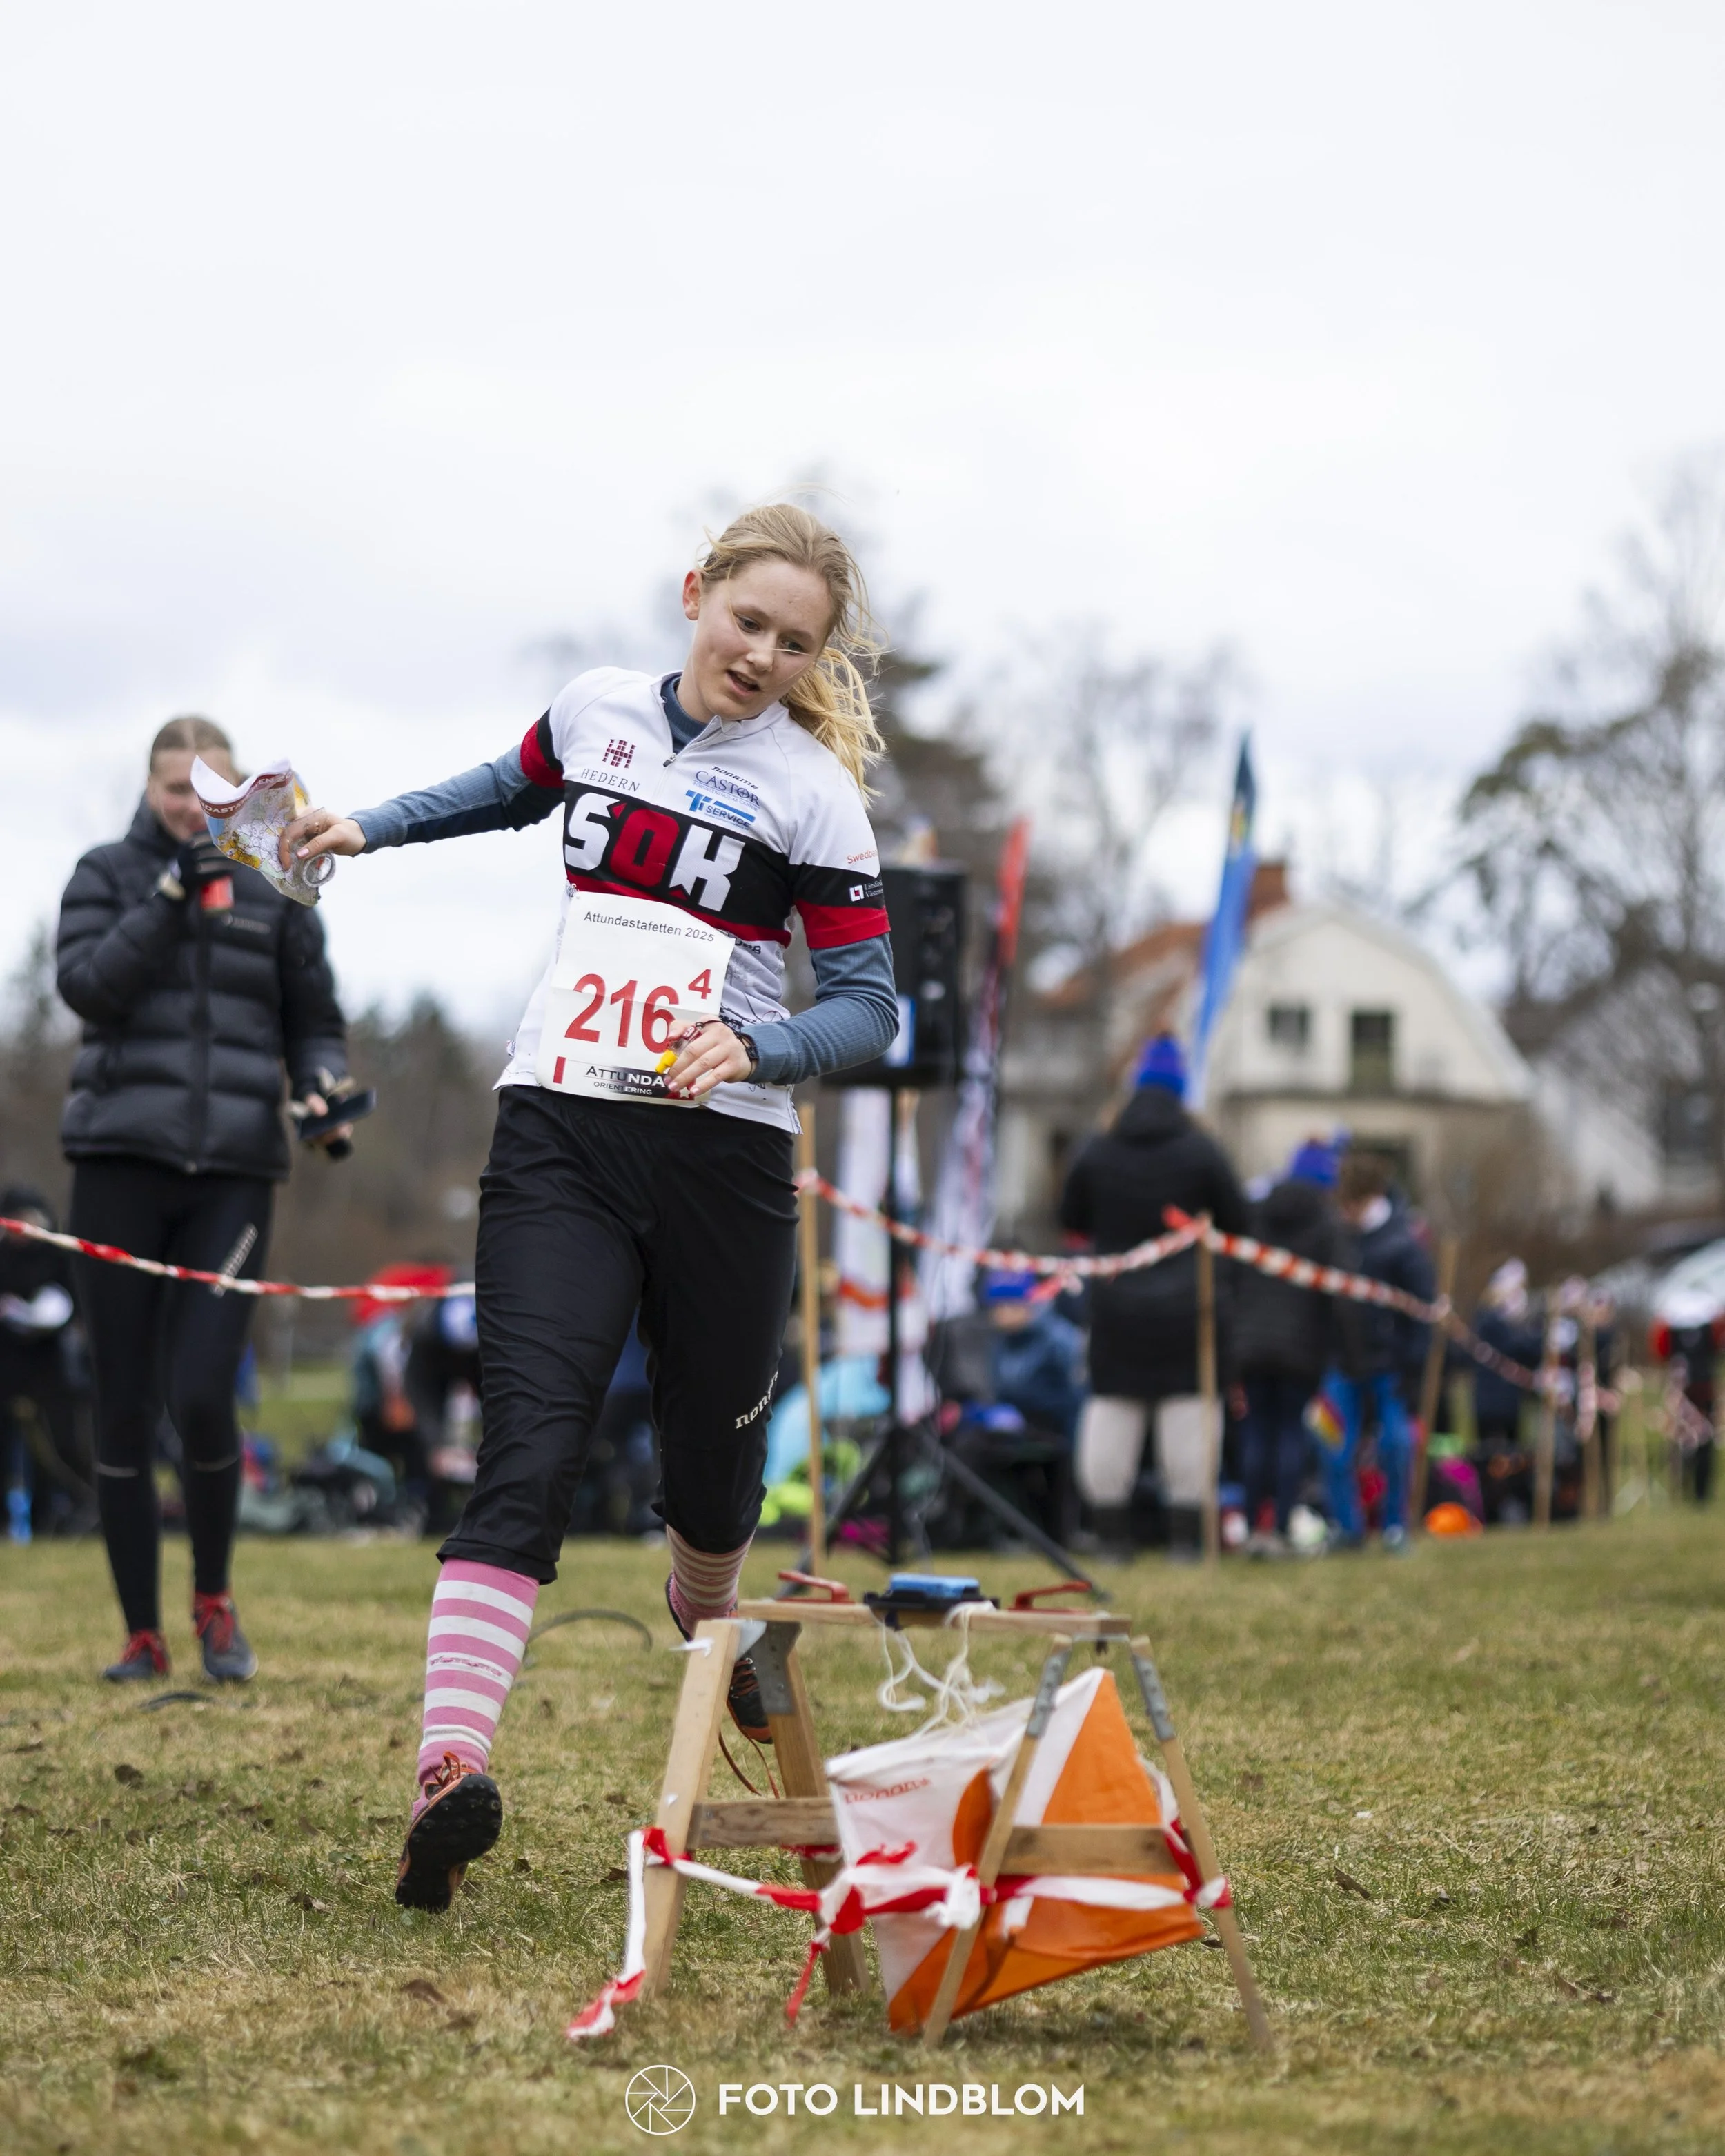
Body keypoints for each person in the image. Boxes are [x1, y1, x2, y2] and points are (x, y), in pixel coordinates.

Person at [282, 504, 900, 1912]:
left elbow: (871, 1004)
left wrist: (763, 1044)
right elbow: (507, 785)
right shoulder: (597, 711)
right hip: (560, 1129)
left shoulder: (811, 791)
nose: (762, 655)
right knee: (530, 1442)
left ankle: (710, 1611)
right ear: (696, 595)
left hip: (723, 1157)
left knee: (711, 1481)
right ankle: (447, 1770)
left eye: (795, 643)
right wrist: (368, 827)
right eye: (747, 621)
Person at [55, 718, 356, 1683]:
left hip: (234, 1176)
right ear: (151, 790)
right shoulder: (105, 874)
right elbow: (87, 989)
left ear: (240, 793)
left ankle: (215, 1603)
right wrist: (169, 896)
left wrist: (321, 1086)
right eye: (176, 788)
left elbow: (316, 1022)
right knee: (123, 1403)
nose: (193, 804)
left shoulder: (277, 887)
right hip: (117, 1166)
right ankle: (141, 1634)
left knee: (199, 1388)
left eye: (210, 789)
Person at [1057, 1033, 1248, 1555]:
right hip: (1191, 1309)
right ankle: (1186, 1543)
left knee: (1112, 1413)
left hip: (1115, 1309)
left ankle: (1111, 1539)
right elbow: (1238, 1222)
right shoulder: (1202, 1149)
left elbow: (1070, 1217)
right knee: (1188, 1420)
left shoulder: (1098, 1148)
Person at [1232, 1140, 1353, 1554]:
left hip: (1250, 1345)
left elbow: (1233, 1276)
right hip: (1302, 1348)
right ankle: (1282, 1527)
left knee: (1255, 1433)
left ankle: (1252, 1526)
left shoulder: (1253, 1214)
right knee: (1290, 1434)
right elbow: (1340, 1292)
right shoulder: (1326, 1224)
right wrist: (1346, 1351)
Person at [1323, 1152, 1435, 1550]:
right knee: (1331, 1442)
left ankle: (1395, 1527)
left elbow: (1423, 1313)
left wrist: (1414, 1370)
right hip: (1343, 1364)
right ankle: (1347, 1528)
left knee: (1396, 1446)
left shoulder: (1404, 1244)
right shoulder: (1338, 1239)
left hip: (1392, 1366)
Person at [1, 1187, 89, 1541]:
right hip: (8, 1364)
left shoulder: (58, 1255)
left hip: (52, 1369)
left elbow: (76, 1304)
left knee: (57, 1446)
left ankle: (59, 1512)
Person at [1468, 1258, 1543, 1525]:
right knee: (1492, 1457)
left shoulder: (1497, 1320)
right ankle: (1491, 1510)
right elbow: (1519, 1348)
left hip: (1506, 1402)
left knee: (1511, 1456)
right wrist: (1540, 1336)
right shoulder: (1491, 1320)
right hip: (1494, 1403)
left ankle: (1508, 1507)